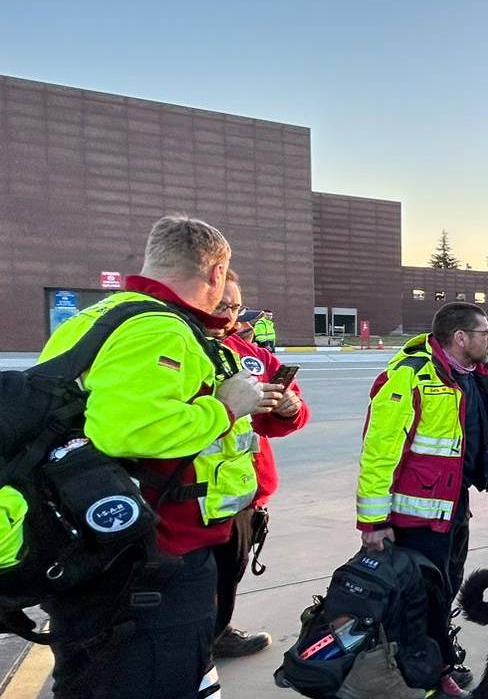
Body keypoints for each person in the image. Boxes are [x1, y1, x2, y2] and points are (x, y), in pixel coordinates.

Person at [39, 215, 273, 699]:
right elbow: (132, 430)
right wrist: (226, 407)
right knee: (155, 679)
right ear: (214, 274)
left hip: (93, 541)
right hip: (153, 557)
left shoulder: (99, 317)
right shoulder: (161, 329)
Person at [357, 302, 488, 697]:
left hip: (451, 506)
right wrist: (374, 523)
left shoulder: (469, 375)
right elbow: (379, 453)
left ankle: (433, 662)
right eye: (485, 333)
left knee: (443, 593)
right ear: (461, 338)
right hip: (415, 518)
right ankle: (427, 677)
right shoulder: (410, 378)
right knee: (418, 602)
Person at [211, 280, 311, 660]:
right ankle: (196, 644)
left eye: (235, 306)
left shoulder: (249, 355)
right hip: (188, 493)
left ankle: (218, 631)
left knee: (228, 572)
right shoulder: (181, 346)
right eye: (220, 303)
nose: (227, 313)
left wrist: (290, 408)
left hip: (243, 491)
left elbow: (288, 412)